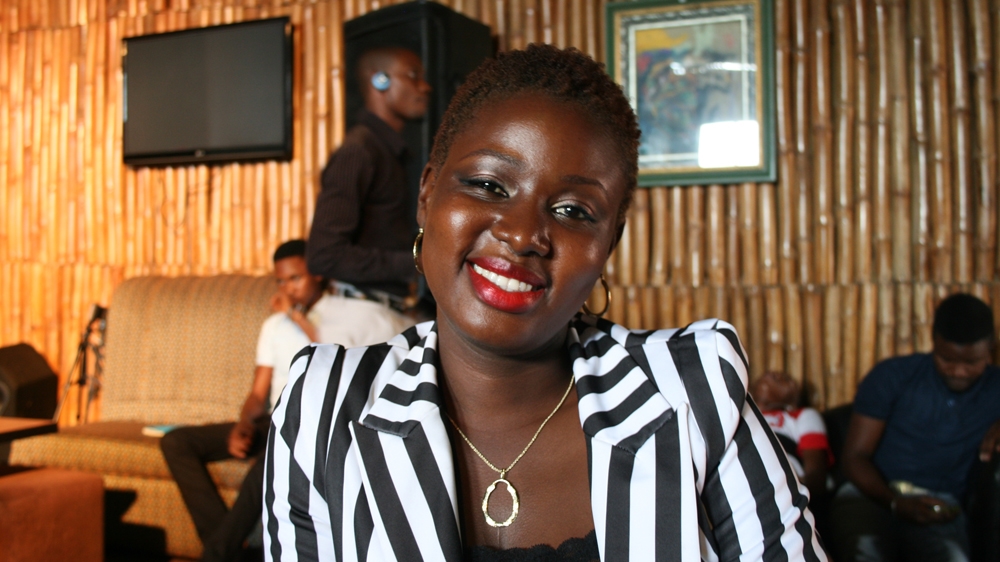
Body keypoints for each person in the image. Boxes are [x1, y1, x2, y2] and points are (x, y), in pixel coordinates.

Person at [264, 45, 826, 561]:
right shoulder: (323, 404)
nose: (522, 234)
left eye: (574, 211)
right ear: (428, 193)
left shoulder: (695, 394)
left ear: (609, 244)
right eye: (488, 185)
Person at [161, 240, 411, 562]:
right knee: (177, 443)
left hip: (309, 424)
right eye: (281, 281)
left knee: (269, 458)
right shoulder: (273, 327)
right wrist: (244, 423)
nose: (288, 288)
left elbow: (330, 367)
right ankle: (224, 550)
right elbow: (257, 393)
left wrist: (296, 317)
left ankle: (216, 553)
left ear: (317, 275)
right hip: (270, 421)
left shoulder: (341, 318)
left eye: (296, 278)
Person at [832, 292, 1000, 562]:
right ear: (933, 342)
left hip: (940, 505)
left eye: (971, 363)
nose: (958, 371)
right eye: (947, 359)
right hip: (869, 495)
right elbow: (854, 459)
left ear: (990, 348)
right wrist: (895, 503)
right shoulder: (893, 375)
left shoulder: (996, 388)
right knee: (864, 553)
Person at [306, 46, 431, 314]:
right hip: (360, 316)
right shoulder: (359, 150)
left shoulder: (387, 150)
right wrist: (416, 261)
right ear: (379, 80)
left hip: (382, 309)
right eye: (413, 75)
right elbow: (323, 255)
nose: (425, 86)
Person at [749, 370, 832, 502]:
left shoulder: (803, 416)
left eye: (785, 379)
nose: (773, 375)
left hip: (783, 484)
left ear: (793, 400)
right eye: (767, 374)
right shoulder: (740, 414)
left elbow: (815, 472)